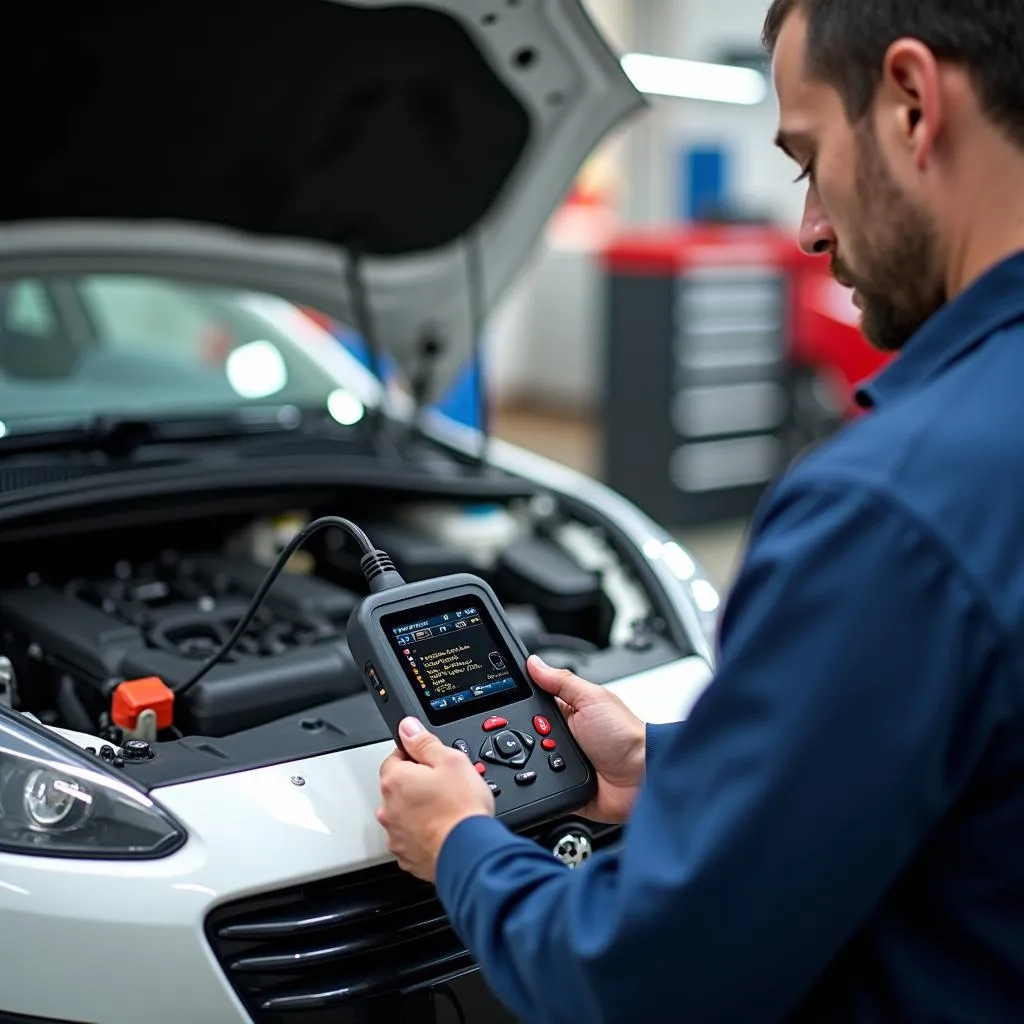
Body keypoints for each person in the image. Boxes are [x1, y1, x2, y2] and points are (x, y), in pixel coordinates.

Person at [376, 1, 1024, 1019]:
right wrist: (664, 770)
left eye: (807, 158)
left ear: (910, 103)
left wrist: (461, 844)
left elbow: (643, 981)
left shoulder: (887, 511)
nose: (807, 224)